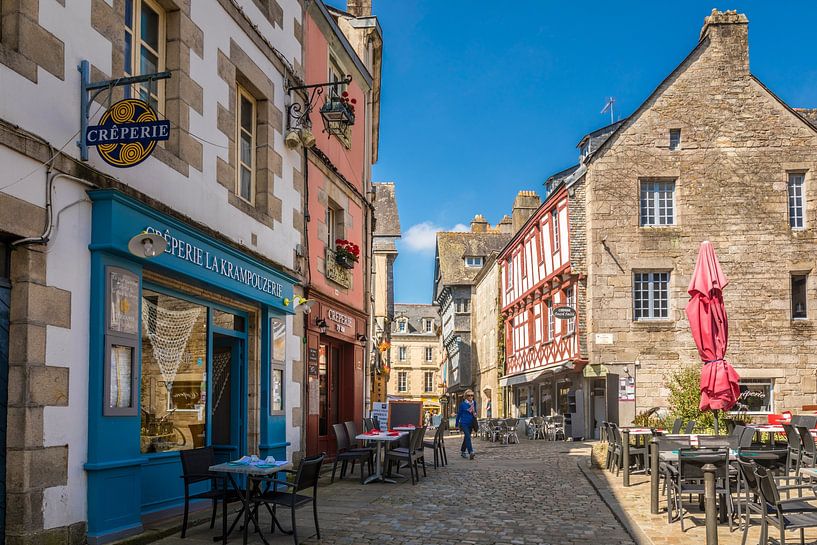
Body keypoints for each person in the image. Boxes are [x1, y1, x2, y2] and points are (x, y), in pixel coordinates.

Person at [455, 389, 477, 460]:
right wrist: (456, 423)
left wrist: (474, 413)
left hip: (471, 423)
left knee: (466, 437)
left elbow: (475, 413)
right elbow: (459, 414)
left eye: (472, 395)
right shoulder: (462, 404)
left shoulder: (474, 403)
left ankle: (463, 451)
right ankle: (471, 452)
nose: (471, 397)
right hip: (464, 423)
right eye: (469, 395)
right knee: (468, 436)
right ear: (465, 396)